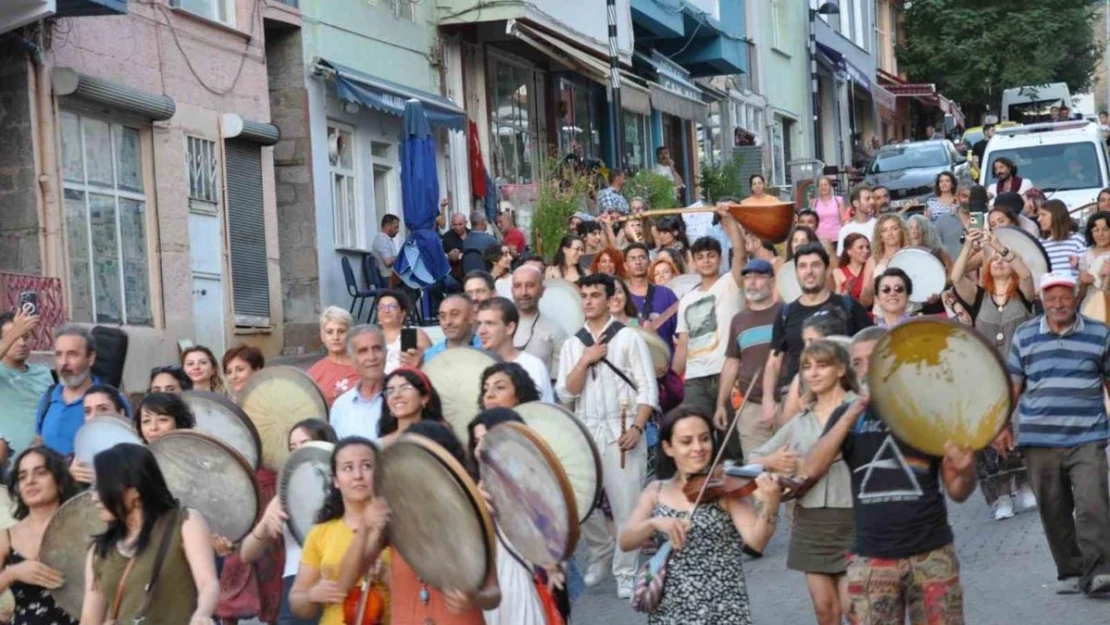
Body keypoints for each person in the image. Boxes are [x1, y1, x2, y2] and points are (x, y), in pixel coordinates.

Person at [802, 328, 976, 625]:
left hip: (931, 554)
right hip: (871, 558)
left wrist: (967, 468)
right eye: (858, 362)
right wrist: (849, 415)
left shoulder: (930, 412)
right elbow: (811, 469)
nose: (866, 368)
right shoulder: (846, 418)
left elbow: (958, 491)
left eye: (876, 359)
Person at [618, 407, 784, 625]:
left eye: (704, 439)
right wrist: (654, 523)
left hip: (722, 607)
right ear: (668, 447)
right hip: (670, 609)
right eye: (686, 442)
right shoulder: (655, 490)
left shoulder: (724, 489)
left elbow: (756, 541)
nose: (698, 448)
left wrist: (770, 506)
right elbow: (625, 541)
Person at [999, 272, 1110, 595]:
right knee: (1053, 507)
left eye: (1064, 297)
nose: (1057, 303)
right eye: (1051, 298)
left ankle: (1101, 570)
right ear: (1042, 300)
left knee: (1093, 503)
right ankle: (1070, 570)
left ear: (1076, 298)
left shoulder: (1099, 334)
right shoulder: (1025, 335)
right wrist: (1002, 425)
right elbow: (1013, 386)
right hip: (1039, 437)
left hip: (1087, 435)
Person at [556, 273, 658, 598]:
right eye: (584, 295)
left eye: (595, 295)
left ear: (609, 298)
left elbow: (647, 389)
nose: (588, 301)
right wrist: (585, 361)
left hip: (622, 428)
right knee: (581, 503)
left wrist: (637, 428)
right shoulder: (573, 344)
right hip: (587, 431)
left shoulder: (629, 338)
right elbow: (566, 393)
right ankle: (600, 549)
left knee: (626, 504)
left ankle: (626, 571)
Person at [750, 341, 858, 625]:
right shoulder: (801, 420)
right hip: (810, 520)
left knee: (855, 609)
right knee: (825, 610)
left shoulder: (858, 409)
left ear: (841, 369)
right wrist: (771, 459)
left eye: (822, 365)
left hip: (854, 517)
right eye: (807, 367)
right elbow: (753, 458)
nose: (813, 373)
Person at [80, 444, 220, 624]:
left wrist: (202, 614)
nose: (94, 497)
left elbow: (208, 583)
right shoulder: (100, 551)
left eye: (102, 487)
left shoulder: (184, 522)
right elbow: (89, 620)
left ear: (133, 491)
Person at [950, 229, 1036, 520]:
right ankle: (1000, 497)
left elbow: (1025, 274)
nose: (998, 261)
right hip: (987, 379)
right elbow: (956, 278)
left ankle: (1024, 484)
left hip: (1021, 376)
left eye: (1003, 259)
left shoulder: (1024, 295)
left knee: (1021, 432)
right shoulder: (978, 297)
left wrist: (999, 246)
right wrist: (971, 247)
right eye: (993, 259)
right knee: (988, 440)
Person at [387, 421, 502, 624]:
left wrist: (471, 597)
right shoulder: (390, 511)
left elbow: (493, 593)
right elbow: (353, 571)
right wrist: (367, 530)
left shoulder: (473, 511)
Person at [466, 408, 570, 625]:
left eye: (487, 438)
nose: (480, 448)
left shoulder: (532, 483)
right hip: (492, 582)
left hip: (520, 579)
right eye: (476, 441)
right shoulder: (474, 487)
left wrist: (550, 563)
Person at [762, 243, 872, 429]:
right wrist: (767, 399)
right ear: (796, 272)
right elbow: (773, 361)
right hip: (795, 395)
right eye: (803, 266)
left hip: (841, 393)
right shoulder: (785, 313)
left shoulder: (847, 306)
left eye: (815, 265)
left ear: (827, 269)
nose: (809, 271)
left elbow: (869, 347)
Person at [241, 419, 338, 625]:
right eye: (292, 447)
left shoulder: (347, 488)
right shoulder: (286, 493)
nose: (297, 452)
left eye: (304, 444)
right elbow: (247, 554)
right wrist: (265, 525)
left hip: (340, 580)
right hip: (297, 583)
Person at [288, 437, 390, 625]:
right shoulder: (320, 533)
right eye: (348, 468)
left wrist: (385, 574)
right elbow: (298, 602)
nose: (358, 475)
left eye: (367, 466)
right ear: (336, 480)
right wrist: (312, 595)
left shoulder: (396, 527)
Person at [673, 206, 746, 424]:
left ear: (719, 258)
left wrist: (729, 220)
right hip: (695, 378)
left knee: (730, 441)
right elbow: (683, 345)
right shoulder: (686, 299)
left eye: (711, 256)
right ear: (693, 261)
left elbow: (740, 252)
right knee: (697, 431)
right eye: (701, 257)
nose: (706, 260)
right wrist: (671, 378)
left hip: (727, 372)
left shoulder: (730, 283)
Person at [0, 446, 79, 624]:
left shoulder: (84, 529)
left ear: (59, 481)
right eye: (22, 476)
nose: (30, 481)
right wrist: (12, 573)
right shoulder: (7, 536)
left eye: (40, 472)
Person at [715, 259, 782, 460]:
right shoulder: (739, 320)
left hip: (786, 403)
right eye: (748, 277)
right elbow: (732, 362)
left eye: (759, 277)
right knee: (755, 473)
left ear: (772, 282)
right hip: (751, 407)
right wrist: (720, 404)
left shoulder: (786, 313)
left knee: (791, 468)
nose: (752, 282)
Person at [36, 325, 129, 457]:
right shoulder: (48, 398)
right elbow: (39, 442)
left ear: (90, 358)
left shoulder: (111, 401)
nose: (64, 362)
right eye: (58, 355)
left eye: (72, 354)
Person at [476, 298, 555, 403]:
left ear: (510, 328)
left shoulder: (532, 366)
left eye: (490, 323)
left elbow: (542, 411)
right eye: (479, 324)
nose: (481, 331)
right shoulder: (474, 365)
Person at [0, 309, 50, 458]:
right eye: (14, 338)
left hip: (43, 462)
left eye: (25, 337)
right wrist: (16, 331)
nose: (21, 343)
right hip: (7, 468)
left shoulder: (45, 373)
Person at [510, 267, 567, 381]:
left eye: (530, 285)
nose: (523, 292)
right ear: (511, 290)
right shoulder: (499, 326)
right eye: (517, 286)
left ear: (542, 290)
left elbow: (558, 380)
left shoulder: (554, 331)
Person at [330, 325, 386, 441]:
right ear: (351, 360)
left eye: (377, 348)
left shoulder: (401, 398)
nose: (371, 357)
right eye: (363, 351)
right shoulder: (341, 406)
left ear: (386, 353)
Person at [623, 243, 679, 352]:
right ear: (625, 265)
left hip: (665, 363)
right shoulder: (621, 299)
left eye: (642, 258)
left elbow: (681, 333)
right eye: (632, 259)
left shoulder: (666, 294)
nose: (638, 262)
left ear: (649, 262)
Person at [307, 307, 361, 407]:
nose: (335, 337)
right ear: (322, 337)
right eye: (329, 332)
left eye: (341, 331)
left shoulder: (365, 366)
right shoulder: (313, 373)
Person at [377, 368, 446, 444]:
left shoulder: (441, 440)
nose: (396, 395)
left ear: (424, 398)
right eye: (390, 390)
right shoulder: (380, 445)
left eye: (406, 387)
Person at [859, 214, 909, 309]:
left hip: (910, 314)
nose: (890, 233)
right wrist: (871, 283)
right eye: (884, 230)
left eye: (894, 228)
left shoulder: (912, 256)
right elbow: (864, 302)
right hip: (882, 318)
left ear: (902, 231)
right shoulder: (873, 261)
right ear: (880, 236)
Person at [375, 290, 431, 374]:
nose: (386, 311)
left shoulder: (410, 333)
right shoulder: (373, 336)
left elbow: (432, 363)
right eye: (381, 307)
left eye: (392, 307)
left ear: (402, 313)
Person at [1037, 199, 1086, 277]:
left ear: (1056, 215)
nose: (1039, 219)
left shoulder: (1077, 240)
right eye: (1039, 215)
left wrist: (1079, 262)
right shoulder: (1041, 244)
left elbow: (1088, 267)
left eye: (1043, 215)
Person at [425, 294, 482, 361]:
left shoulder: (486, 350)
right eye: (443, 316)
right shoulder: (430, 356)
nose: (448, 322)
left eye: (454, 314)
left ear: (471, 317)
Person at [836, 186, 876, 255]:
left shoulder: (878, 224)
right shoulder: (846, 230)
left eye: (872, 198)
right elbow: (841, 255)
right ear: (856, 203)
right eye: (867, 199)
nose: (872, 202)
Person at [810, 176, 848, 244]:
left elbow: (844, 220)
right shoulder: (814, 202)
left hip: (837, 238)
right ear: (818, 188)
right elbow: (811, 221)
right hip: (819, 239)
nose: (823, 187)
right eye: (820, 185)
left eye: (825, 185)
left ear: (830, 186)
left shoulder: (838, 200)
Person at [835, 234, 871, 300]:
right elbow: (837, 301)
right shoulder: (838, 272)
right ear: (849, 251)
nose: (866, 251)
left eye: (867, 247)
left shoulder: (871, 269)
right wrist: (847, 290)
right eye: (861, 247)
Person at [443, 213, 470, 282]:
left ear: (466, 223)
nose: (457, 228)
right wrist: (449, 256)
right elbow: (441, 256)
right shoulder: (447, 237)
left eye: (460, 224)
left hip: (471, 271)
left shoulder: (472, 235)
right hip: (455, 275)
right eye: (455, 225)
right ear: (451, 224)